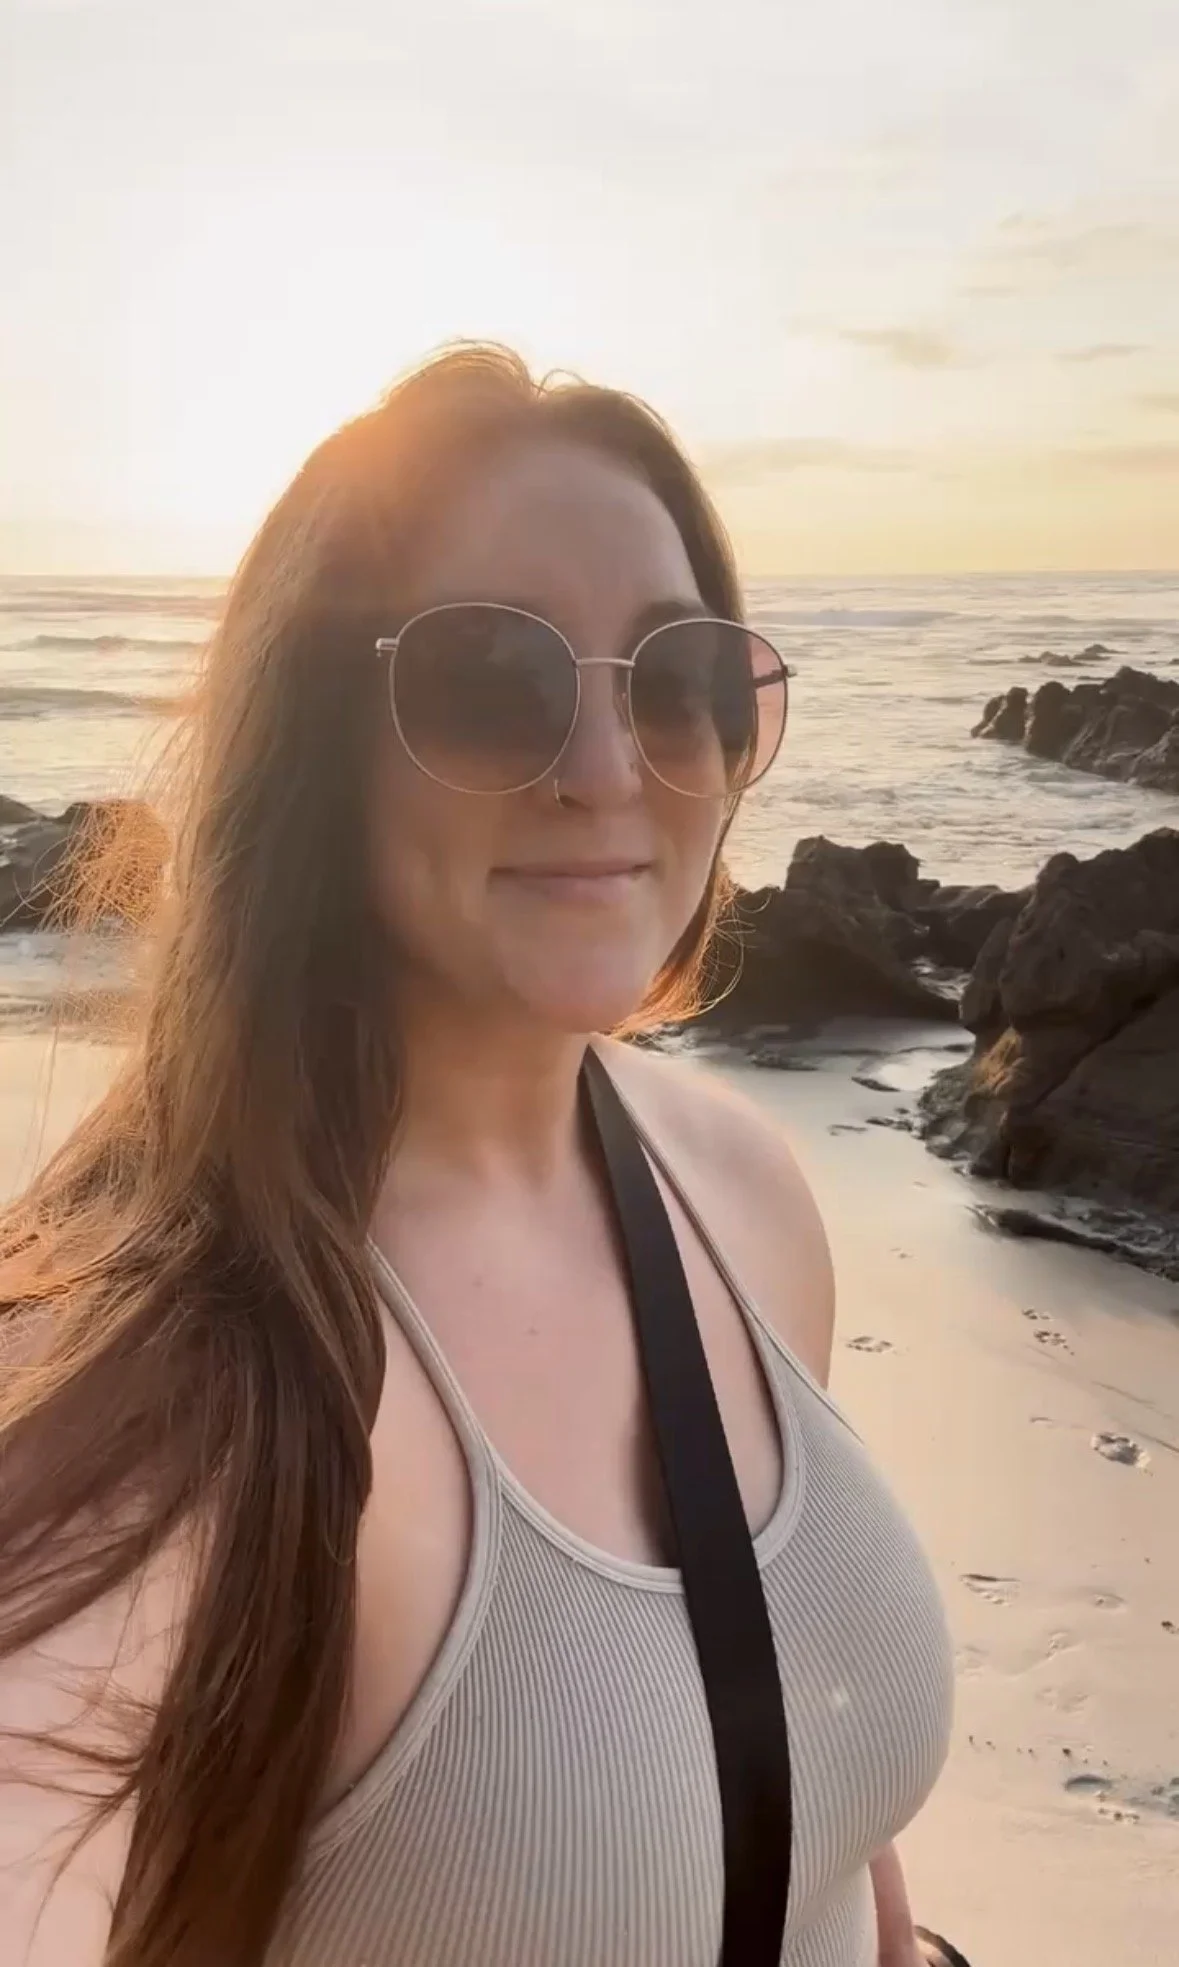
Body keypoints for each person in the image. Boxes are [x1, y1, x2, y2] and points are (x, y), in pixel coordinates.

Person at [0, 345, 954, 1967]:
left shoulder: (740, 1193)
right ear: (318, 746)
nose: (605, 767)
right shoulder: (189, 1373)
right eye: (489, 681)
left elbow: (812, 1824)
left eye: (676, 680)